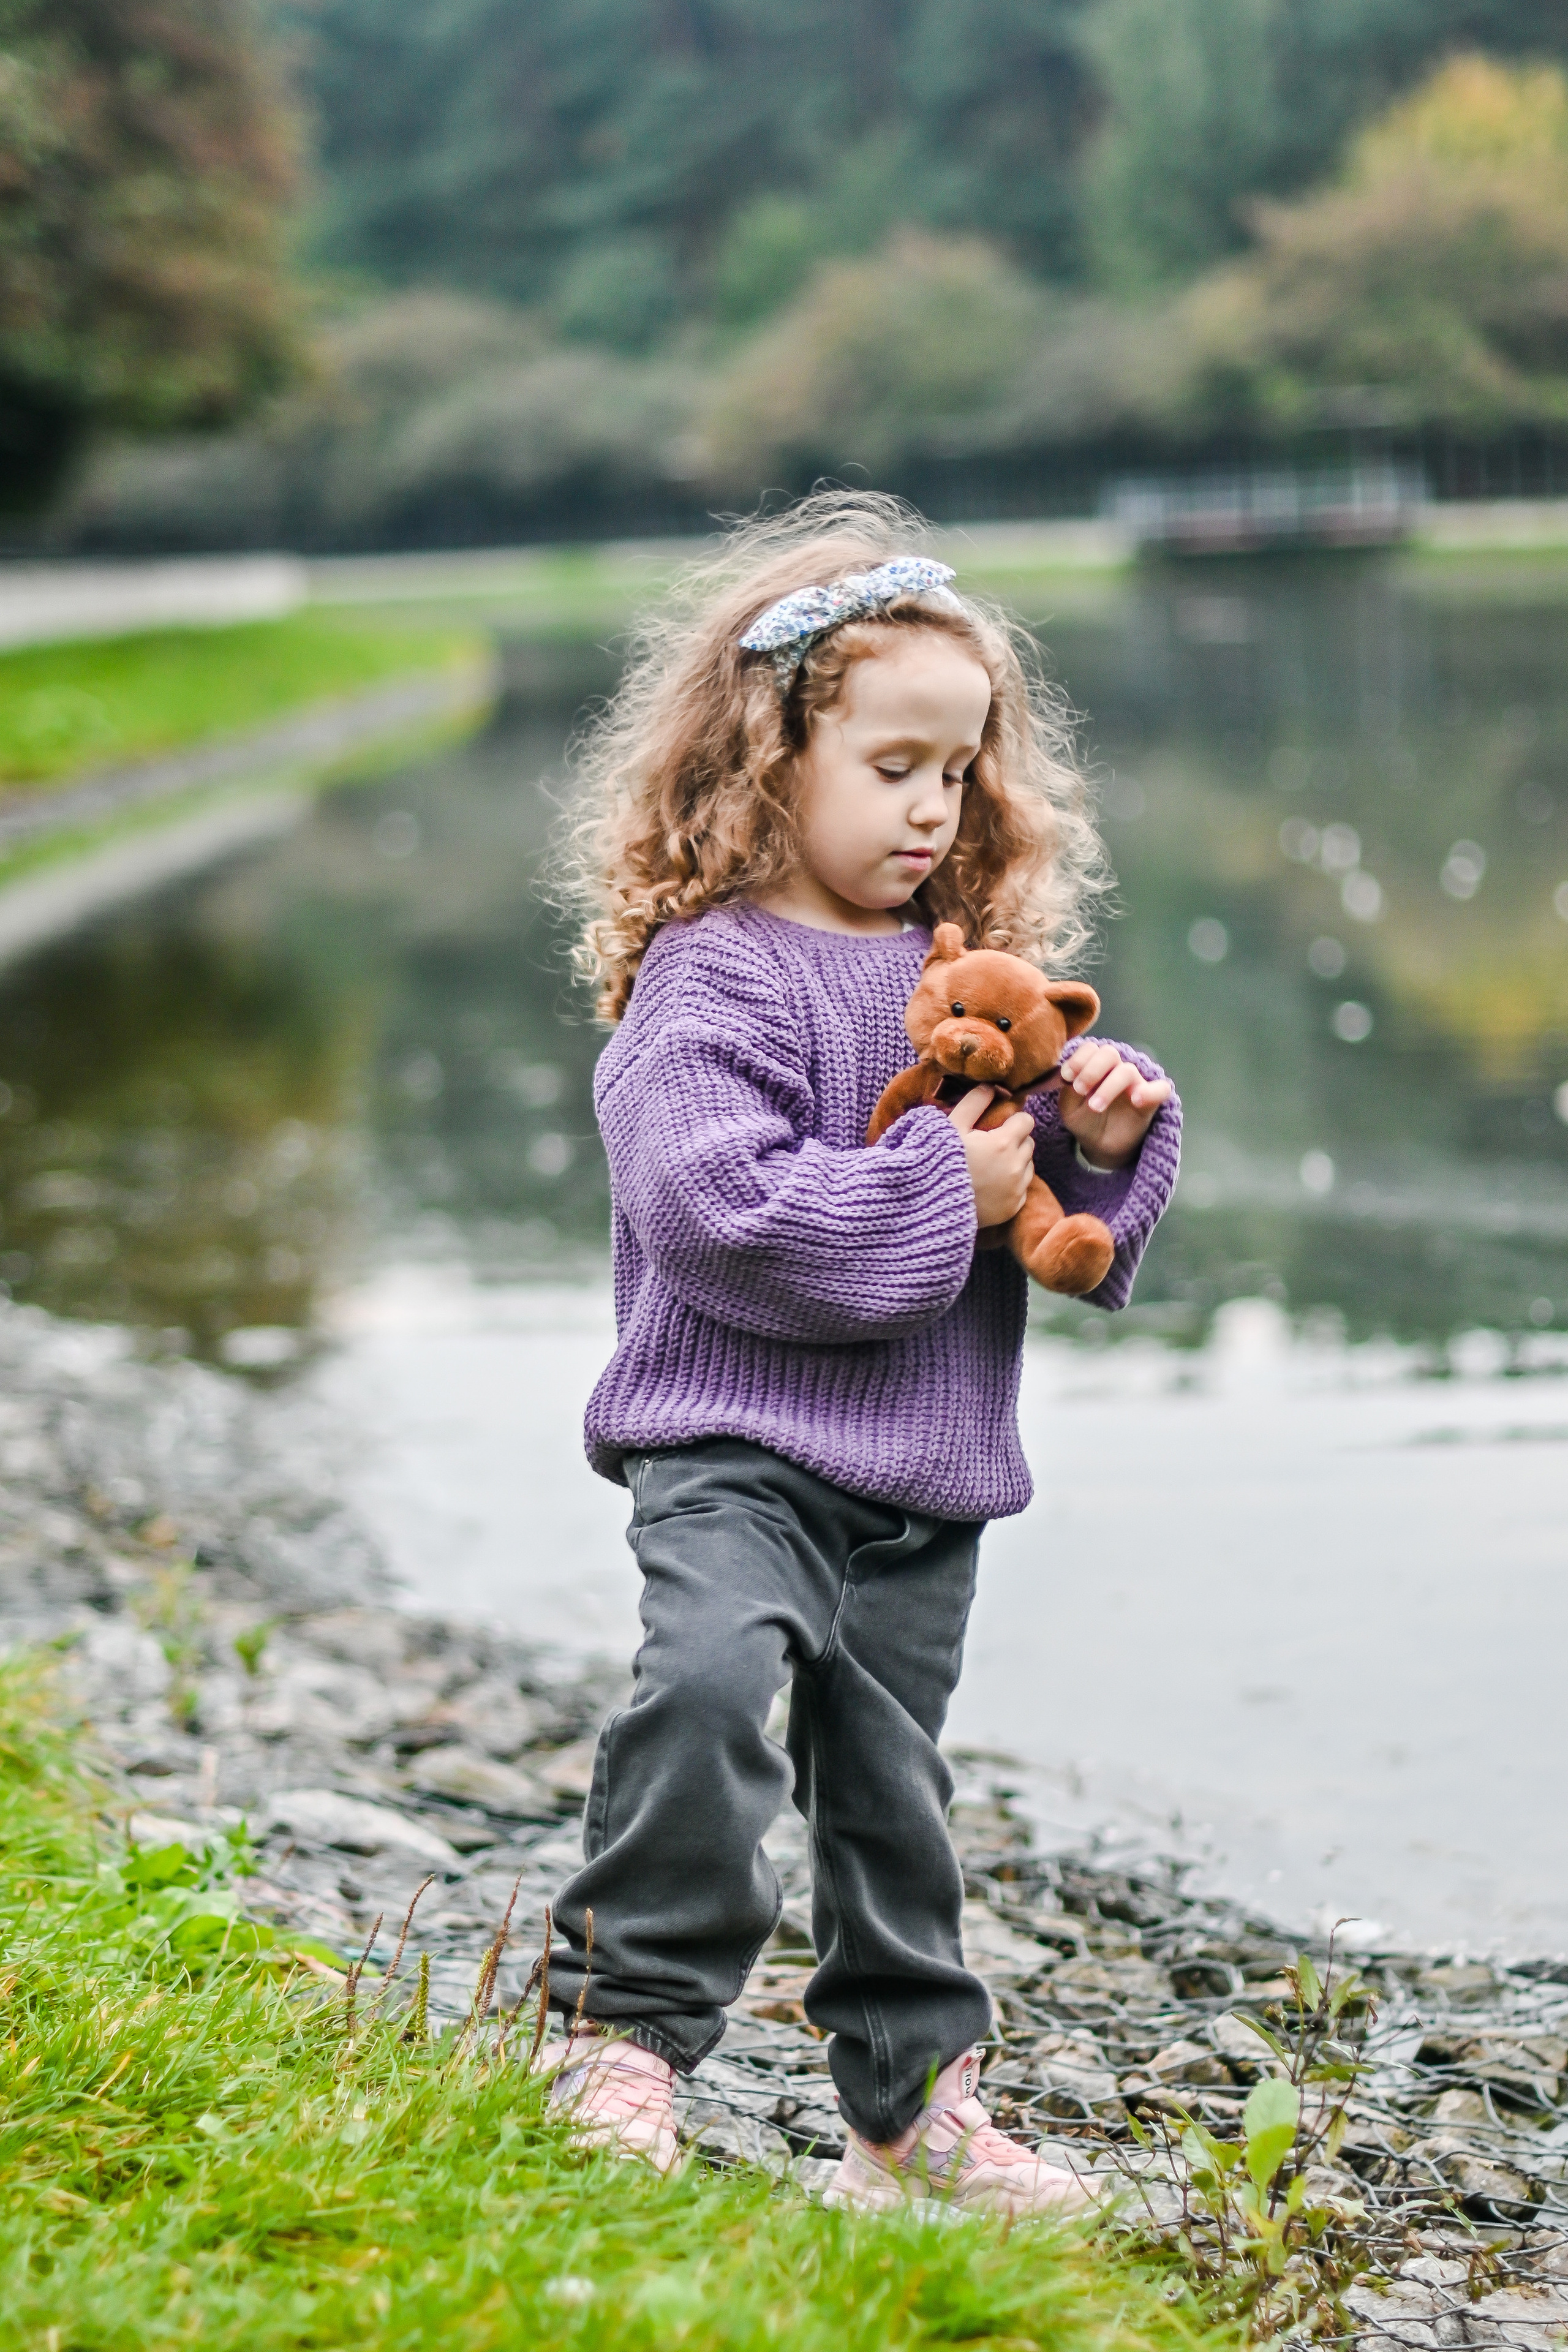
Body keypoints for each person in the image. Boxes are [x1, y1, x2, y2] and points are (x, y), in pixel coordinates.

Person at [544, 492, 1180, 2212]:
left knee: (892, 1791)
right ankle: (620, 2040)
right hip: (734, 1444)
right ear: (765, 763)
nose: (932, 803)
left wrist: (1100, 1151)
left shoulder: (956, 977)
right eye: (893, 762)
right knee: (705, 1694)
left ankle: (911, 2116)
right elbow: (715, 1215)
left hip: (919, 1465)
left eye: (959, 770)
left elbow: (1040, 1211)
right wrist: (932, 1182)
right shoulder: (711, 980)